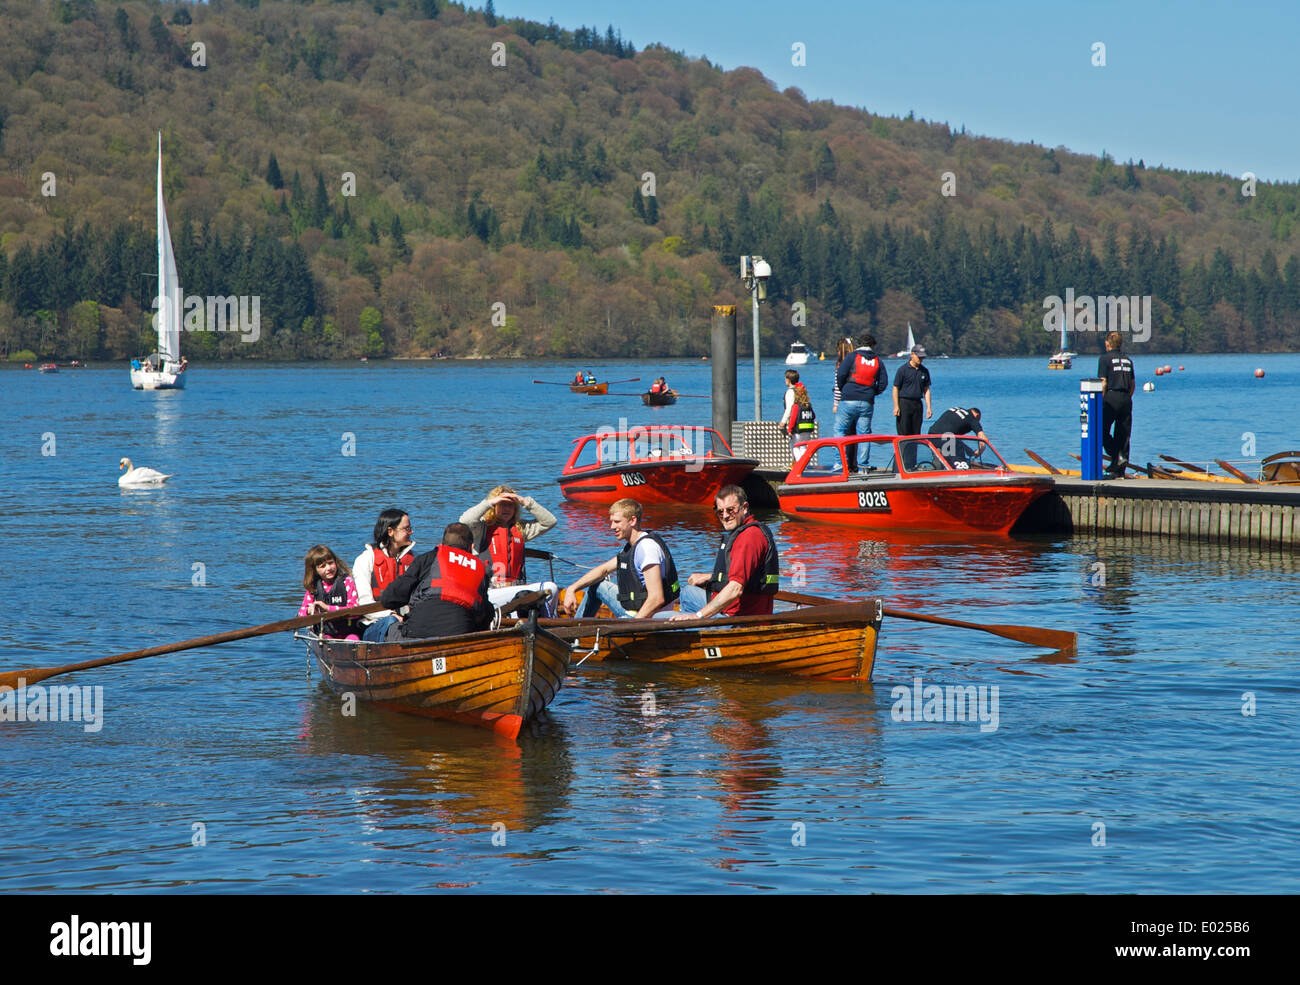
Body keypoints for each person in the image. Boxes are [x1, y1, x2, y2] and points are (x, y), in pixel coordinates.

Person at [558, 498, 680, 619]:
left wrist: (632, 625)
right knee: (597, 585)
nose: (611, 527)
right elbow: (604, 570)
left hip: (646, 617)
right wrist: (572, 588)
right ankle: (579, 630)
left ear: (632, 520)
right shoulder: (633, 546)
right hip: (635, 610)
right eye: (611, 522)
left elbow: (656, 598)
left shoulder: (647, 548)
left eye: (617, 522)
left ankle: (576, 634)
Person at [672, 485, 779, 620]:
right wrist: (709, 577)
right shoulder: (746, 532)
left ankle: (695, 634)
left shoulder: (749, 537)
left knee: (668, 612)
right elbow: (746, 575)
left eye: (730, 510)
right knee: (687, 593)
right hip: (741, 610)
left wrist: (697, 616)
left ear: (744, 508)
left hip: (738, 618)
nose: (725, 516)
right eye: (720, 512)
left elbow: (735, 588)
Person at [379, 523, 492, 641]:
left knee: (385, 626)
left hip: (415, 634)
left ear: (442, 544)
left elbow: (388, 599)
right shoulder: (480, 569)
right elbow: (485, 615)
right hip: (459, 636)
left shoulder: (428, 558)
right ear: (471, 546)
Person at [460, 484, 559, 615]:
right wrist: (489, 502)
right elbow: (464, 520)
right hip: (489, 591)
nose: (507, 509)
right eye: (502, 504)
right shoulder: (480, 528)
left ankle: (546, 627)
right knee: (551, 587)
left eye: (511, 505)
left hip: (516, 591)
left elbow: (550, 521)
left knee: (544, 596)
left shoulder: (521, 529)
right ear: (494, 506)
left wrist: (525, 502)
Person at [353, 508, 415, 643]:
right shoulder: (365, 560)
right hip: (375, 626)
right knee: (391, 622)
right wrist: (390, 614)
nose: (411, 532)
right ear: (390, 531)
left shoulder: (413, 560)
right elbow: (363, 603)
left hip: (405, 623)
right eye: (407, 528)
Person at [835, 334, 889, 472]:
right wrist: (873, 392)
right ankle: (863, 465)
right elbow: (884, 383)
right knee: (864, 434)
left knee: (840, 430)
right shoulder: (878, 361)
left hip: (848, 399)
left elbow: (840, 374)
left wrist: (844, 389)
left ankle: (840, 463)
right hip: (867, 401)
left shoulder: (852, 357)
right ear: (873, 345)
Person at [298, 545, 361, 640]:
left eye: (331, 563)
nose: (328, 568)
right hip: (325, 634)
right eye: (322, 566)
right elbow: (301, 614)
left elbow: (355, 611)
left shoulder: (347, 582)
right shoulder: (313, 588)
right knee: (325, 641)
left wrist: (328, 608)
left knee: (353, 640)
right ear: (315, 570)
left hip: (349, 632)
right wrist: (309, 611)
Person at [1099, 331, 1136, 478]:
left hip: (1111, 397)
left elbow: (1103, 382)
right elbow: (1133, 384)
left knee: (1101, 431)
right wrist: (1127, 398)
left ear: (1108, 343)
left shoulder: (1105, 359)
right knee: (1123, 435)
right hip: (1126, 398)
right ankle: (1120, 468)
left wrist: (1101, 402)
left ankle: (1117, 456)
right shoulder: (1128, 360)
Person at [892, 345, 933, 469]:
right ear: (912, 354)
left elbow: (926, 390)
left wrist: (929, 407)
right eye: (919, 357)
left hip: (917, 404)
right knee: (904, 436)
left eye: (922, 358)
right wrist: (896, 406)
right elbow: (895, 388)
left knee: (916, 436)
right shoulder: (903, 370)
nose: (920, 360)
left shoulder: (924, 371)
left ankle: (912, 464)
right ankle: (901, 464)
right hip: (904, 403)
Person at [779, 371, 816, 460]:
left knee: (795, 446)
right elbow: (813, 415)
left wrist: (783, 422)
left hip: (796, 426)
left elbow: (789, 409)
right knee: (803, 447)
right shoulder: (801, 391)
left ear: (788, 380)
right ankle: (804, 466)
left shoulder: (790, 392)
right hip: (806, 426)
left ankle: (799, 466)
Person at [831, 337, 854, 414]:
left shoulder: (841, 365)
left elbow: (838, 386)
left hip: (845, 400)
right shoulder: (857, 361)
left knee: (841, 426)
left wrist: (836, 404)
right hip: (860, 399)